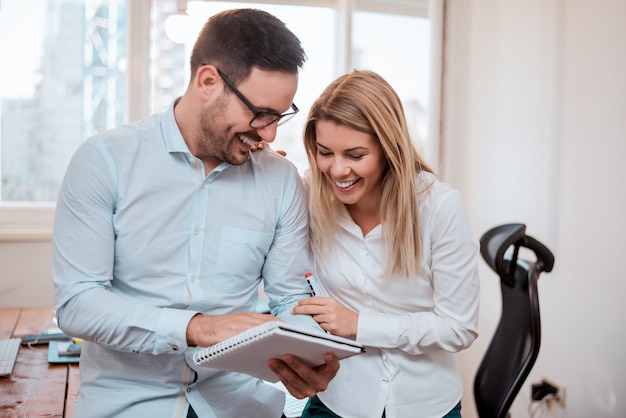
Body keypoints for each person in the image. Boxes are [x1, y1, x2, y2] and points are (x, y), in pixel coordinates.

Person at [51, 9, 339, 418]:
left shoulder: (281, 181)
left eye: (280, 115)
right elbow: (78, 303)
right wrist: (198, 327)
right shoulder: (104, 161)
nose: (270, 133)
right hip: (126, 405)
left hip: (240, 406)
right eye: (260, 114)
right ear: (208, 82)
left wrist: (309, 354)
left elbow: (290, 298)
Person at [292, 70, 480, 417]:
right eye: (325, 153)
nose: (337, 170)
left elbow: (459, 327)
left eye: (355, 155)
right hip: (338, 398)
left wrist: (359, 324)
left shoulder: (438, 206)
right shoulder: (310, 194)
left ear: (387, 148)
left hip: (423, 405)